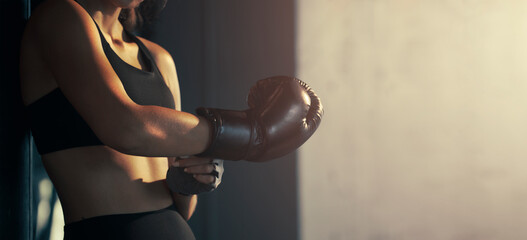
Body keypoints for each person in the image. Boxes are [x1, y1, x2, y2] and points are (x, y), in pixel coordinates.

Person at [19, 0, 322, 239]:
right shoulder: (58, 17)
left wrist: (189, 178)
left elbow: (183, 205)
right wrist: (250, 134)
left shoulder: (159, 58)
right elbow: (126, 127)